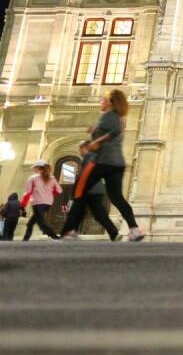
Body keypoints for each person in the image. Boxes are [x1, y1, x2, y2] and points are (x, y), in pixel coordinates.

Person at [60, 90, 145, 242]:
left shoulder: (109, 116)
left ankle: (68, 231)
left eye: (103, 100)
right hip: (117, 163)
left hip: (102, 162)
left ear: (111, 103)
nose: (101, 102)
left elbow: (114, 132)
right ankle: (134, 229)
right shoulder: (118, 118)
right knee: (116, 197)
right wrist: (95, 132)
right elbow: (114, 132)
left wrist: (96, 142)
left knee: (79, 192)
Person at [62, 142, 120, 242]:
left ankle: (68, 233)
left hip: (87, 189)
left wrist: (76, 191)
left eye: (80, 149)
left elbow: (85, 175)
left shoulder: (89, 157)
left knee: (75, 212)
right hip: (96, 189)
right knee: (98, 213)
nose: (79, 152)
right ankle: (113, 232)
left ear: (85, 148)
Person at [21, 160, 62, 241]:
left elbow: (28, 192)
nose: (34, 169)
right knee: (30, 223)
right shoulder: (52, 178)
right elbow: (59, 191)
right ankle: (25, 240)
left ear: (38, 168)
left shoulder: (33, 178)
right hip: (48, 203)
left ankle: (55, 237)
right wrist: (49, 195)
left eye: (35, 168)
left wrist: (22, 205)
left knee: (41, 224)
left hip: (38, 203)